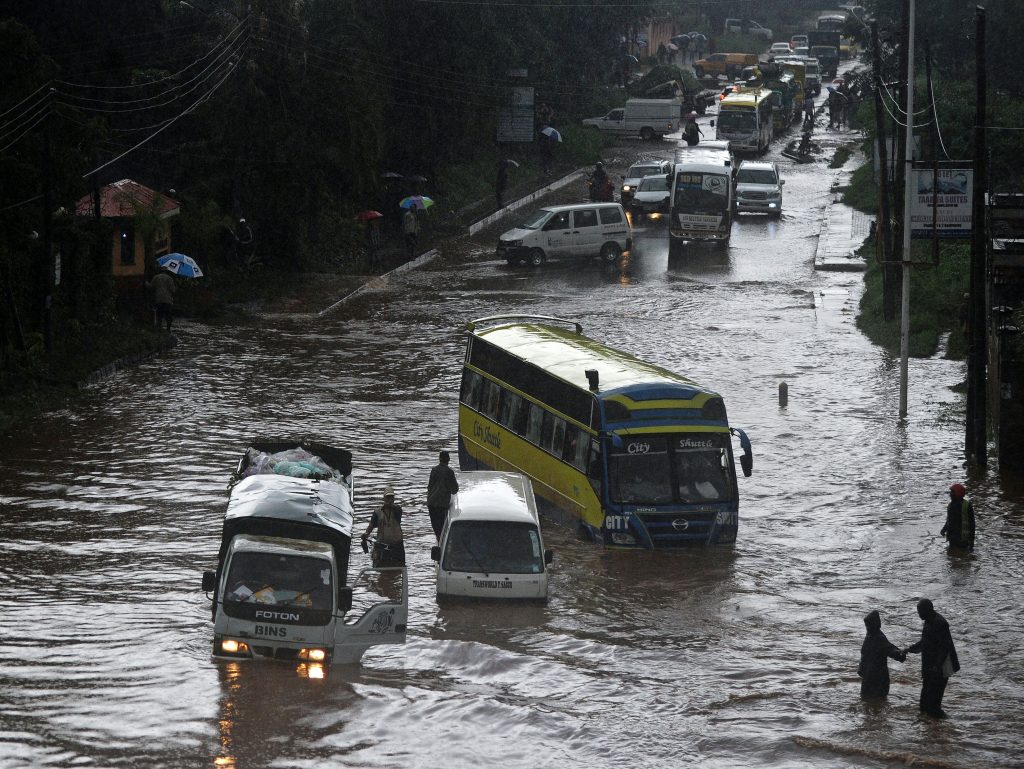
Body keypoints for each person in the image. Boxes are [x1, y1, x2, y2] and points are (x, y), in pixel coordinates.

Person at [904, 598, 960, 718]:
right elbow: (924, 642)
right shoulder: (928, 620)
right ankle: (928, 727)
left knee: (934, 703)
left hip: (942, 667)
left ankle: (944, 725)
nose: (918, 614)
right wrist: (909, 649)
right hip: (931, 666)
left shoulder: (940, 623)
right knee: (924, 703)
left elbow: (945, 648)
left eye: (919, 611)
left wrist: (936, 667)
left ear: (927, 610)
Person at [858, 609, 906, 699]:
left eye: (868, 625)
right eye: (866, 625)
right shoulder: (872, 635)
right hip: (871, 676)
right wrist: (861, 668)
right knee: (871, 700)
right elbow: (864, 653)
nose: (867, 627)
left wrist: (900, 654)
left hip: (876, 677)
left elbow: (890, 649)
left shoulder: (877, 637)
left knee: (874, 700)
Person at [361, 488, 406, 567]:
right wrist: (366, 534)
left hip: (397, 546)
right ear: (384, 498)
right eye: (388, 497)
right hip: (381, 546)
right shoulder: (377, 512)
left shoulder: (398, 510)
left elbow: (397, 511)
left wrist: (390, 505)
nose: (390, 499)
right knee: (380, 568)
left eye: (391, 497)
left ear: (394, 499)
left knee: (399, 568)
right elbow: (371, 525)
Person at [426, 450, 460, 540]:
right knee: (442, 530)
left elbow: (429, 487)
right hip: (442, 505)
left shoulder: (433, 470)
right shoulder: (449, 472)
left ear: (439, 459)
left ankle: (438, 546)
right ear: (448, 460)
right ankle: (441, 547)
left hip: (431, 504)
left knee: (436, 529)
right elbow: (454, 490)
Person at [942, 483, 975, 551]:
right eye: (951, 492)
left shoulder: (967, 505)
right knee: (952, 557)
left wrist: (971, 541)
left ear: (958, 493)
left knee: (962, 556)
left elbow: (972, 524)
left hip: (963, 539)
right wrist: (944, 529)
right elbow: (949, 520)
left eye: (952, 492)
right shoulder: (950, 505)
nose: (950, 494)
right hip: (952, 538)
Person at [146, 267, 176, 332]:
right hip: (168, 300)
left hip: (158, 299)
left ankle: (160, 329)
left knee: (159, 315)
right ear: (167, 271)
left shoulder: (156, 277)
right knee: (168, 316)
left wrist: (146, 282)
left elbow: (151, 287)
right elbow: (173, 290)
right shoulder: (169, 278)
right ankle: (168, 329)